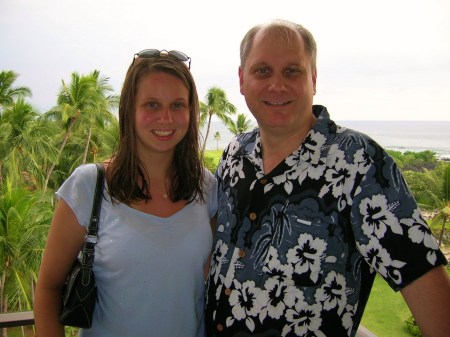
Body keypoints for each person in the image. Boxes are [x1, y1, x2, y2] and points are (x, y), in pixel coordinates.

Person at [205, 19, 450, 337]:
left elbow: (426, 285)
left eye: (292, 71)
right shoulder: (234, 154)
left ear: (314, 78)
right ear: (241, 79)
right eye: (262, 70)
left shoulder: (359, 163)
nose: (277, 85)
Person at [34, 49, 217, 337]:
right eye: (152, 105)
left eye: (178, 105)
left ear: (191, 111)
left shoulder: (205, 187)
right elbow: (48, 289)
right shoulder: (89, 185)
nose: (166, 118)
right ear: (129, 109)